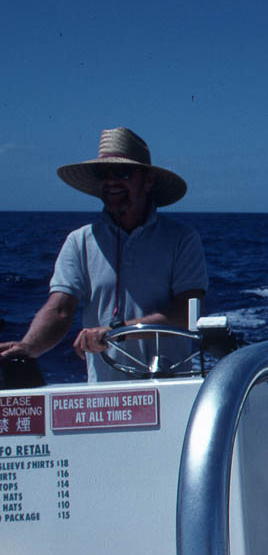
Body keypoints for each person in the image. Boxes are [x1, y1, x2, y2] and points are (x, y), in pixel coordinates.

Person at [0, 127, 207, 381]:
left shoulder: (182, 239)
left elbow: (187, 313)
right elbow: (60, 309)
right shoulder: (79, 242)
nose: (111, 181)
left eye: (122, 172)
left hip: (170, 390)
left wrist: (116, 332)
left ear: (148, 179)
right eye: (103, 174)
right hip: (105, 401)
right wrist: (29, 347)